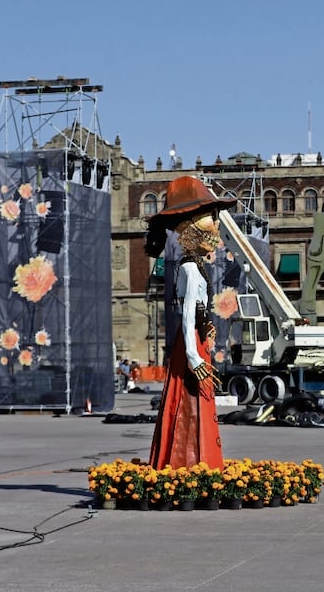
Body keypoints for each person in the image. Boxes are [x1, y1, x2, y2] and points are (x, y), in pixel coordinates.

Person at [145, 176, 234, 471]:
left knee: (193, 399)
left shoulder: (195, 265)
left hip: (194, 341)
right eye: (212, 218)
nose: (217, 225)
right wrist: (195, 357)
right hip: (190, 345)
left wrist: (205, 326)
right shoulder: (189, 268)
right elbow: (185, 314)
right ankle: (191, 461)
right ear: (190, 224)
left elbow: (195, 310)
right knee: (190, 400)